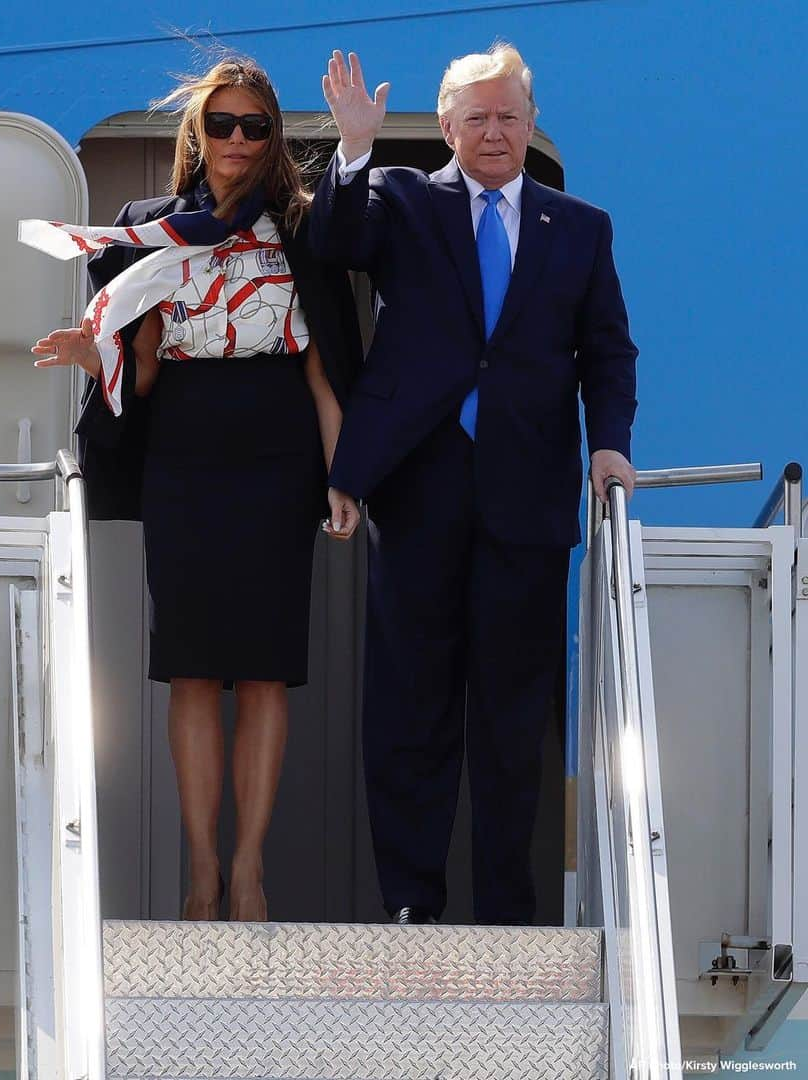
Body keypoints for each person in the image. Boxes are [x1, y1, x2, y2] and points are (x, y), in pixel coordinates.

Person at [24, 57, 362, 922]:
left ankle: (250, 869)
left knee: (263, 675)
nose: (239, 141)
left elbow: (325, 373)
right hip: (184, 454)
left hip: (279, 455)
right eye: (223, 124)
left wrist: (342, 477)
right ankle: (203, 870)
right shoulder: (150, 227)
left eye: (255, 125)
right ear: (197, 132)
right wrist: (90, 354)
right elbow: (136, 376)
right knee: (192, 673)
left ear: (274, 135)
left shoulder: (301, 227)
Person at [312, 44, 638, 926]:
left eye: (509, 116)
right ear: (447, 126)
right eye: (476, 118)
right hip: (420, 482)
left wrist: (609, 445)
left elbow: (608, 352)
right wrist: (351, 150)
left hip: (527, 496)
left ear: (532, 125)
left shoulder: (580, 226)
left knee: (514, 719)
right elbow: (333, 246)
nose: (494, 133)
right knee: (411, 709)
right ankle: (411, 904)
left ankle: (509, 914)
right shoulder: (402, 197)